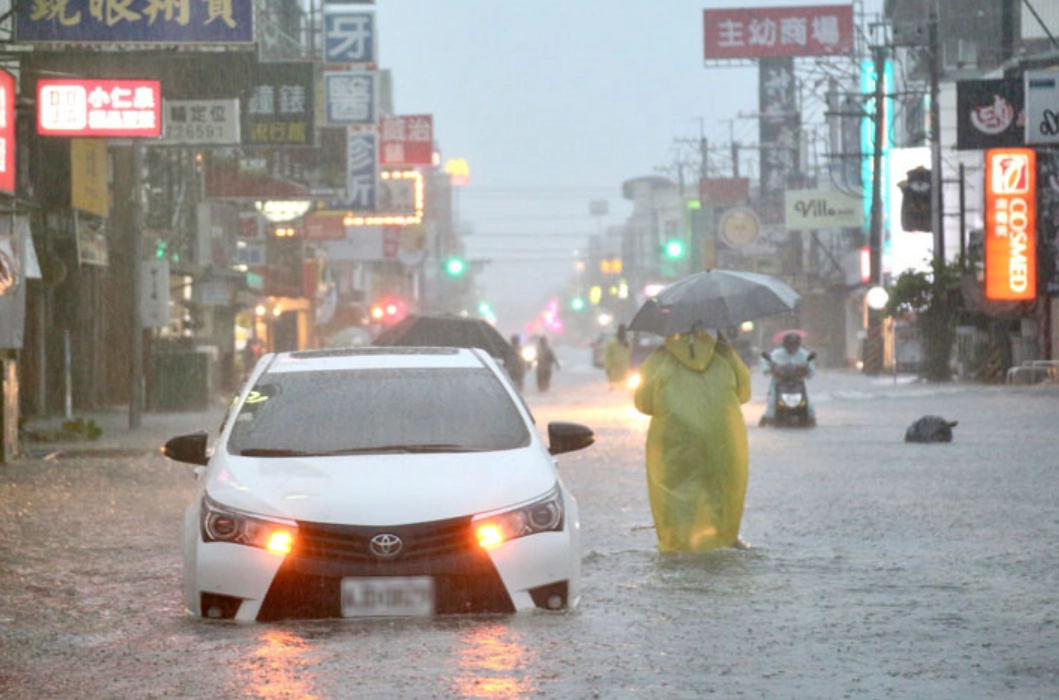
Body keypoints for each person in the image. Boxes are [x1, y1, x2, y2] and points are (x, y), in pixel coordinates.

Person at [633, 329, 751, 553]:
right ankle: (723, 539)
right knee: (720, 489)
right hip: (721, 437)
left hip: (674, 438)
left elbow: (643, 403)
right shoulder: (725, 356)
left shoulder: (659, 359)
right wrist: (727, 350)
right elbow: (744, 393)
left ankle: (677, 544)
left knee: (675, 491)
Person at [760, 332, 816, 427]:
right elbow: (766, 362)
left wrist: (804, 370)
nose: (792, 346)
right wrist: (772, 370)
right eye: (790, 344)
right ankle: (765, 421)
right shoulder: (776, 354)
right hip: (779, 384)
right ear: (785, 344)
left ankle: (811, 421)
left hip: (797, 384)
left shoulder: (804, 354)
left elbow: (811, 370)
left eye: (794, 344)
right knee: (771, 405)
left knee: (810, 406)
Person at [603, 324, 632, 390]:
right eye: (621, 332)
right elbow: (608, 357)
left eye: (624, 332)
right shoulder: (612, 344)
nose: (623, 334)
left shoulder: (627, 344)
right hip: (614, 372)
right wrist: (608, 368)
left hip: (625, 373)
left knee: (623, 389)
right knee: (615, 390)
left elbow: (629, 357)